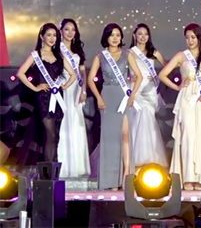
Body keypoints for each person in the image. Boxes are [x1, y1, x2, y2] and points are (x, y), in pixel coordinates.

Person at [158, 23, 201, 191]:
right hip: (187, 99)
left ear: (199, 38)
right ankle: (188, 177)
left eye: (193, 37)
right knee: (188, 136)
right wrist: (178, 87)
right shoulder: (181, 56)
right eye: (187, 37)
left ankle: (200, 177)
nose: (190, 41)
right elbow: (162, 74)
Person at [6, 24, 77, 166]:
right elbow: (20, 73)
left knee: (56, 136)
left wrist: (65, 86)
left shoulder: (59, 56)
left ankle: (53, 170)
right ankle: (48, 170)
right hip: (43, 99)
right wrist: (35, 87)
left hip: (58, 98)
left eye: (54, 35)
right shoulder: (36, 55)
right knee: (50, 135)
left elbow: (73, 74)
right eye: (49, 35)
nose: (52, 38)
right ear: (41, 37)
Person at [86, 23, 143, 190]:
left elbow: (139, 76)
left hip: (123, 97)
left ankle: (126, 176)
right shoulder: (100, 56)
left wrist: (132, 95)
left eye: (118, 35)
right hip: (107, 97)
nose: (115, 38)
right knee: (109, 139)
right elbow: (90, 79)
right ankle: (110, 180)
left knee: (125, 135)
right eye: (112, 35)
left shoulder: (127, 54)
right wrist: (98, 98)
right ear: (106, 37)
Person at [128, 23, 168, 167]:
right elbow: (121, 71)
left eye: (146, 34)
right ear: (134, 35)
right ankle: (135, 156)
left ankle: (151, 156)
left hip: (150, 89)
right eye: (140, 34)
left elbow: (167, 66)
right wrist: (128, 78)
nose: (143, 37)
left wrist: (158, 75)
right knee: (138, 117)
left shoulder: (153, 52)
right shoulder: (130, 52)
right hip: (135, 89)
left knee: (149, 119)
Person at [57, 18, 91, 178]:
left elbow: (83, 73)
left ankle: (77, 166)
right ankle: (64, 166)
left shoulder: (78, 50)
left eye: (73, 29)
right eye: (66, 29)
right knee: (65, 123)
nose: (70, 33)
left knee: (77, 124)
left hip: (77, 89)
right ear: (61, 31)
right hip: (63, 88)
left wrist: (84, 91)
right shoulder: (57, 48)